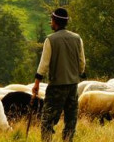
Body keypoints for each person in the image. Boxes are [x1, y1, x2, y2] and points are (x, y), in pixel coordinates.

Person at [32, 7, 86, 142]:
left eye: (51, 19)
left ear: (55, 21)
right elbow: (82, 63)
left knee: (47, 120)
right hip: (73, 86)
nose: (50, 22)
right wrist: (77, 74)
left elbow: (43, 65)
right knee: (70, 121)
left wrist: (36, 83)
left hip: (56, 86)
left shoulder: (50, 40)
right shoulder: (77, 38)